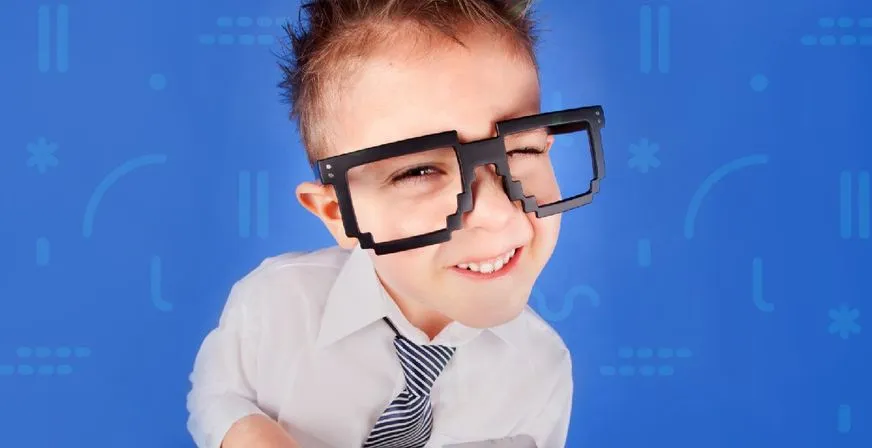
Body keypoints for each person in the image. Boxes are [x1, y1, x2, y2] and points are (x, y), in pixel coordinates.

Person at [185, 0, 606, 447]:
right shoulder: (274, 302)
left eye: (522, 149)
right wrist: (247, 431)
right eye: (418, 171)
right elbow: (216, 393)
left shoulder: (542, 370)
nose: (497, 212)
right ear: (339, 214)